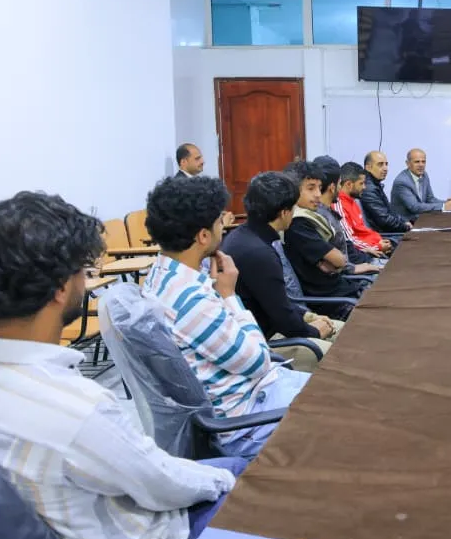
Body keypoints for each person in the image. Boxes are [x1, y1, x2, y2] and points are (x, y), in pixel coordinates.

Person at [0, 191, 243, 539]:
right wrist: (223, 478)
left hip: (55, 520)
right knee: (245, 474)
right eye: (84, 271)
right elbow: (160, 483)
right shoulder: (76, 408)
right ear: (62, 288)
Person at [142, 176, 311, 459]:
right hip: (247, 420)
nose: (225, 226)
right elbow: (259, 361)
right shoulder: (190, 300)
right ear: (203, 236)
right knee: (345, 407)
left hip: (250, 396)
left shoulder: (160, 276)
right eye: (220, 221)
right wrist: (229, 296)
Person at [220, 172, 343, 372]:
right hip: (262, 343)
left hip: (264, 327)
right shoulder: (260, 253)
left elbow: (277, 303)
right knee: (340, 353)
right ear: (284, 213)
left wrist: (307, 316)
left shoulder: (243, 236)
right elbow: (283, 320)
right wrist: (314, 330)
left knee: (344, 331)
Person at [283, 161, 370, 319]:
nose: (318, 194)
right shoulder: (298, 223)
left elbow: (337, 261)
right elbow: (339, 260)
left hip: (342, 290)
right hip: (331, 302)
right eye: (311, 188)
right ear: (292, 191)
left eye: (319, 187)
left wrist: (334, 260)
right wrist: (335, 259)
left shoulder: (313, 216)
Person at [312, 161, 384, 272]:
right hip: (354, 265)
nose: (341, 189)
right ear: (332, 187)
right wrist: (375, 248)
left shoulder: (332, 209)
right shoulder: (325, 213)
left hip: (360, 258)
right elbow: (343, 255)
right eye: (340, 184)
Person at [334, 161, 394, 258]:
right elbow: (349, 240)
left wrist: (379, 241)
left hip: (374, 245)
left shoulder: (353, 201)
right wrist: (377, 246)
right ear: (349, 184)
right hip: (364, 253)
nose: (364, 187)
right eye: (361, 183)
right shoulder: (339, 205)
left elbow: (363, 231)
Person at [390, 148, 451, 221]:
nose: (421, 165)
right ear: (408, 163)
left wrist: (448, 203)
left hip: (421, 219)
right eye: (417, 162)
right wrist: (443, 206)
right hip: (405, 224)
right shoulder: (402, 182)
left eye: (423, 162)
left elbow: (430, 199)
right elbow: (415, 207)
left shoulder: (424, 175)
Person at [360, 151, 413, 233]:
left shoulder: (375, 184)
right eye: (380, 164)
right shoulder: (368, 188)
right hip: (381, 236)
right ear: (368, 168)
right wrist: (406, 227)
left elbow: (389, 211)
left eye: (386, 164)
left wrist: (404, 222)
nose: (385, 168)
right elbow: (384, 220)